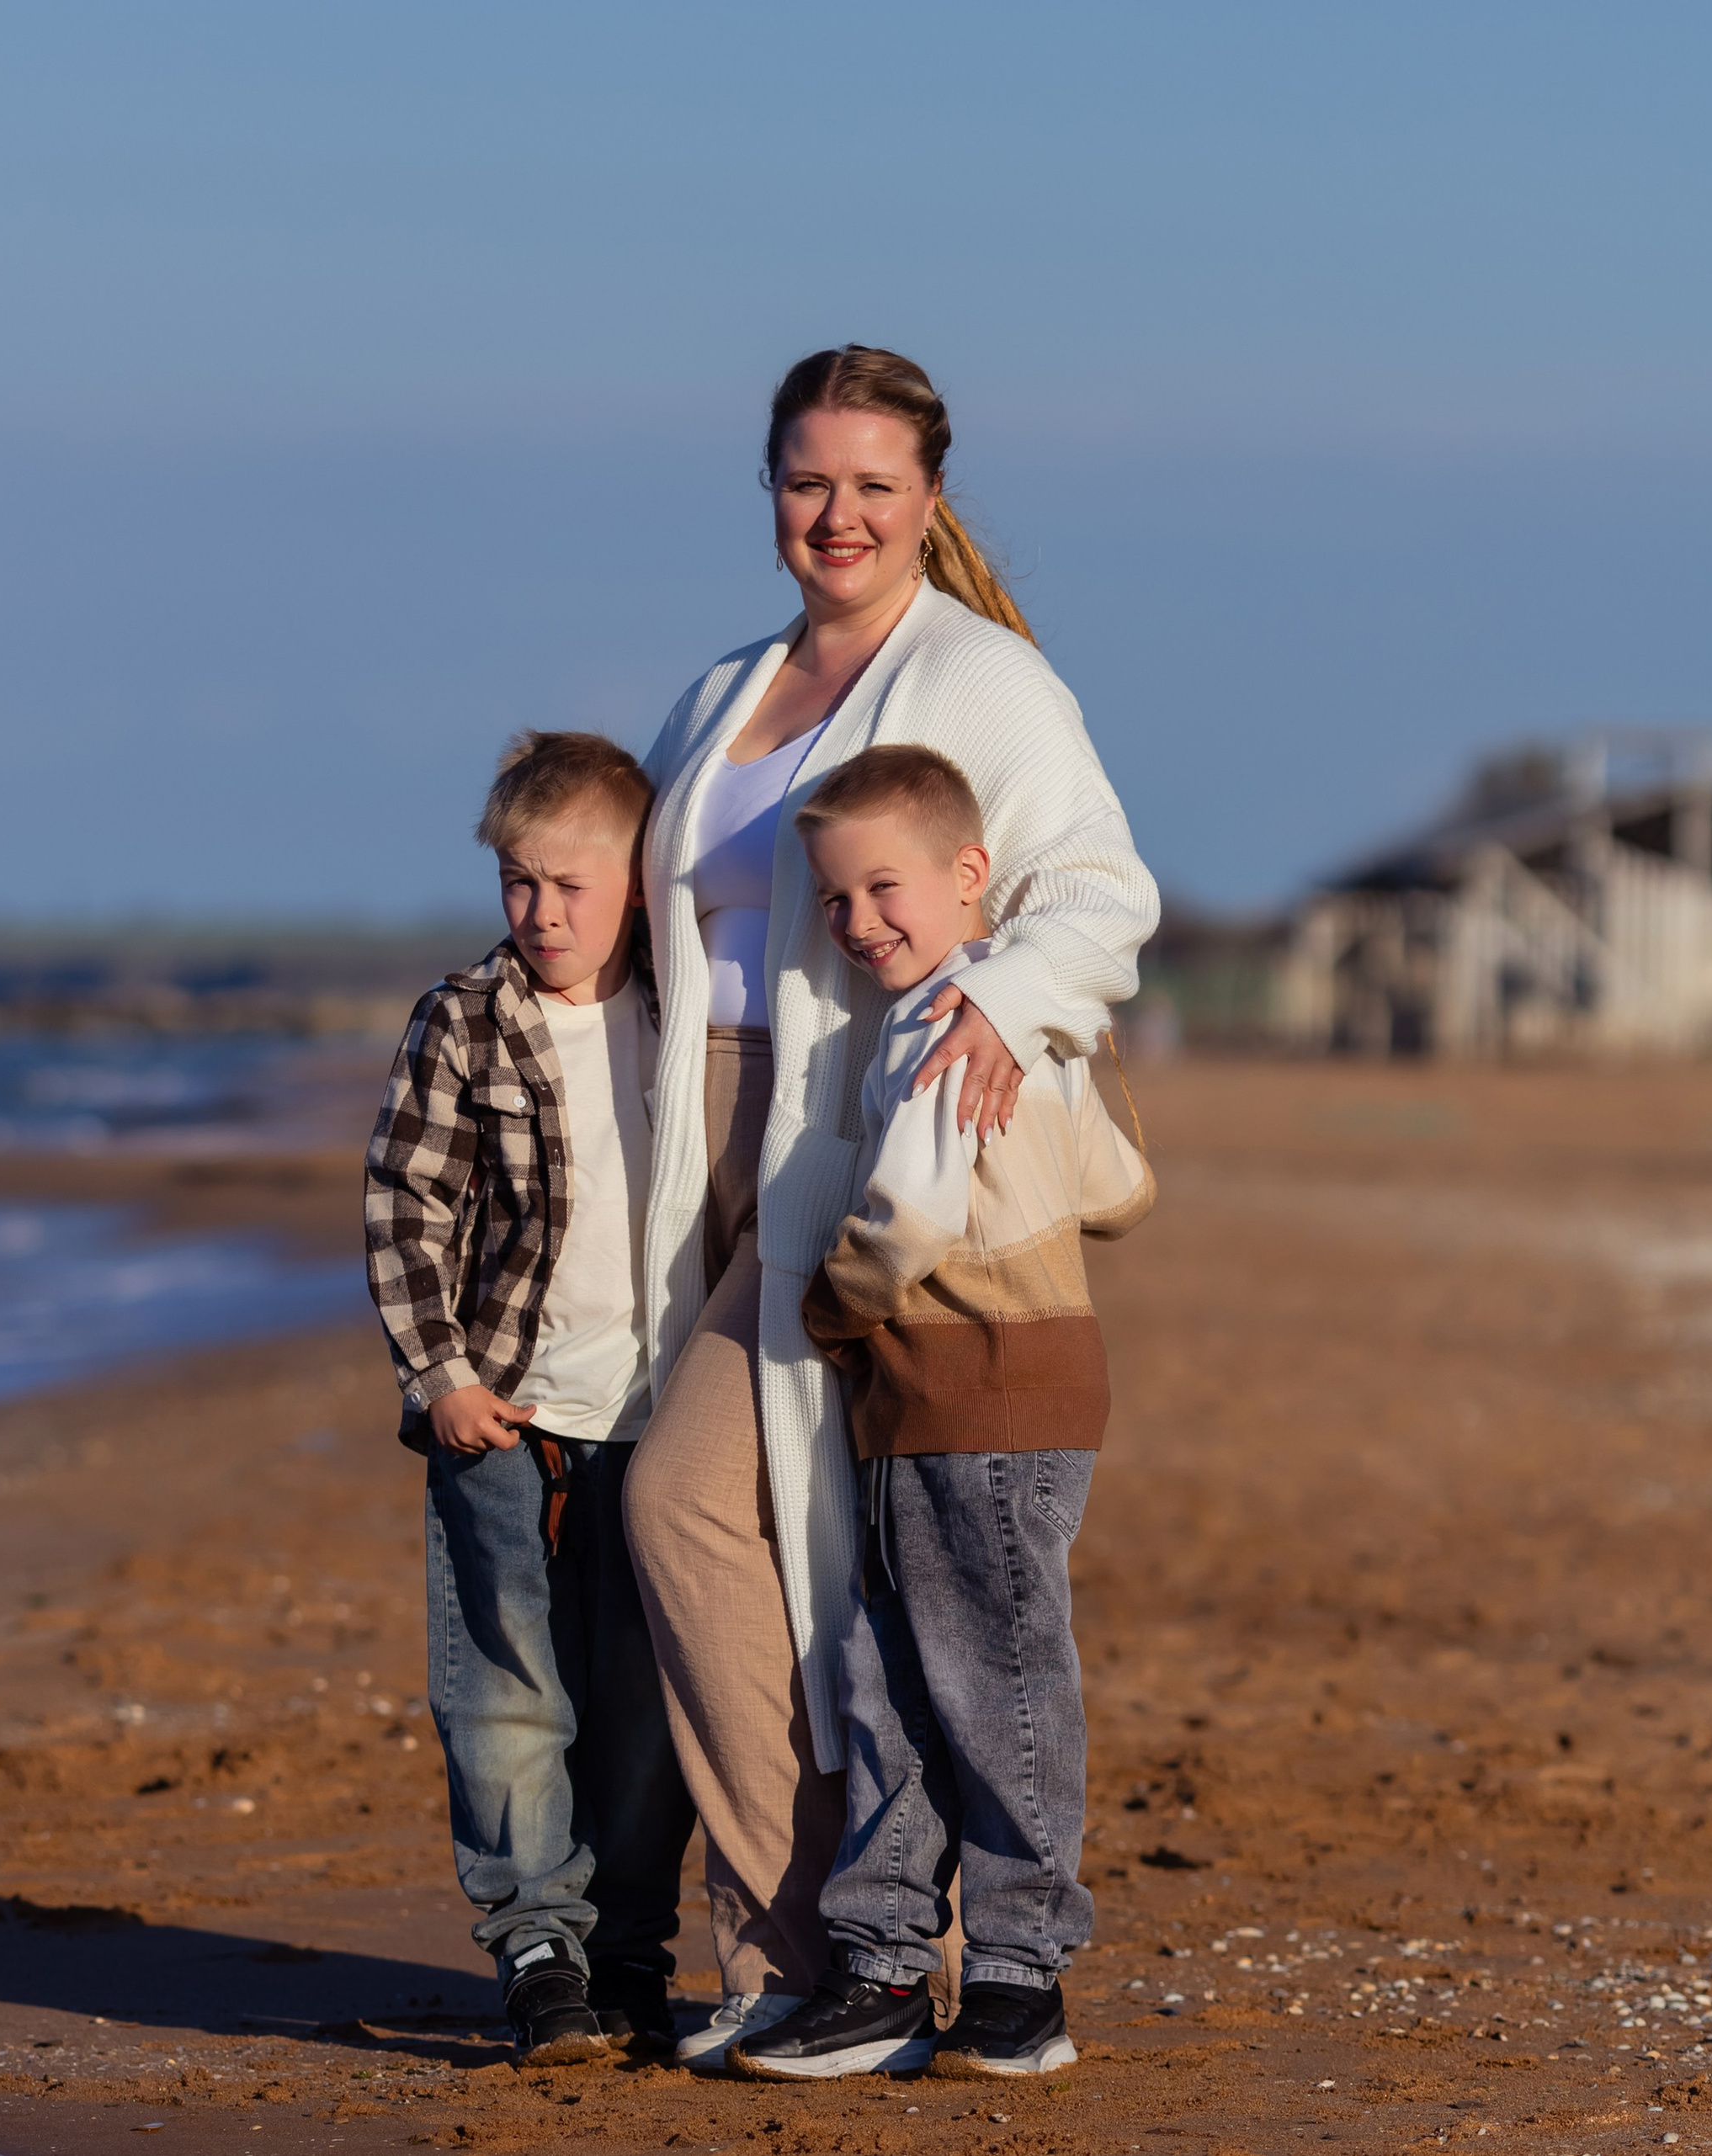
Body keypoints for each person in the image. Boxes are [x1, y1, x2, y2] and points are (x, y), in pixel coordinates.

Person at [623, 344, 1160, 2069]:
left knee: (694, 1509)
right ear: (767, 490)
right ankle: (805, 1954)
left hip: (837, 1149)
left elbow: (1092, 888)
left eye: (869, 483)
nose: (833, 514)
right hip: (676, 1144)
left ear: (927, 495)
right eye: (804, 480)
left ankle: (814, 1949)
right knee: (800, 1564)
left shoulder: (982, 679)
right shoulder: (722, 693)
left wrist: (999, 1008)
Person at [727, 745, 1151, 2082]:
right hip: (976, 1393)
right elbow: (1125, 1190)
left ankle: (1020, 1978)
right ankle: (885, 1961)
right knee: (896, 1677)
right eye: (838, 901)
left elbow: (903, 1217)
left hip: (979, 1385)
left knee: (993, 1682)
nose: (859, 924)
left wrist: (831, 1311)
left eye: (884, 888)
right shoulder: (1025, 1021)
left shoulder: (940, 1027)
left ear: (974, 879)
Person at [364, 731, 694, 2068]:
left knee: (644, 1702)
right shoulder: (465, 1020)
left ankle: (629, 1950)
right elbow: (406, 1202)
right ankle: (538, 1948)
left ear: (638, 877)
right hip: (501, 1416)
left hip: (663, 1419)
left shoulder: (693, 1013)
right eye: (518, 883)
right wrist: (439, 1374)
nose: (542, 913)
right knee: (504, 1690)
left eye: (571, 883)